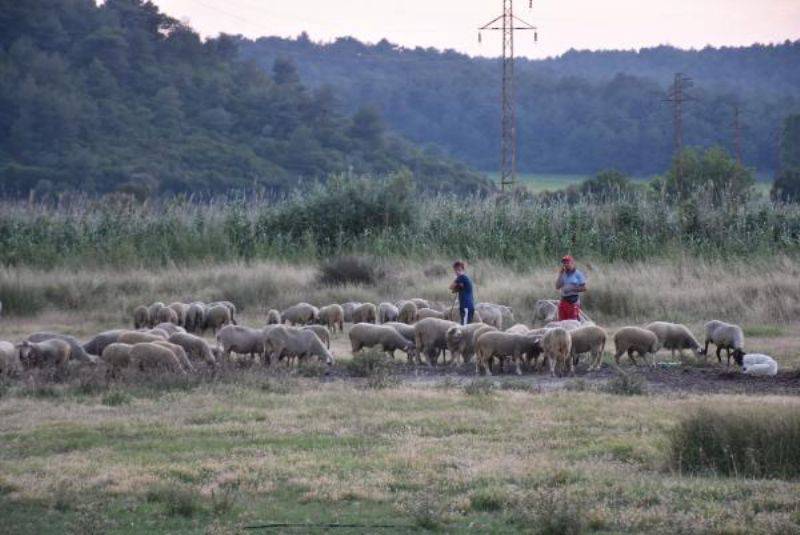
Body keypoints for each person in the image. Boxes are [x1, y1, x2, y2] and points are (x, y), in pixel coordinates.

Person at [555, 255, 586, 321]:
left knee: (572, 322)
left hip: (573, 301)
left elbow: (584, 288)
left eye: (567, 262)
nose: (565, 264)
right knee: (561, 321)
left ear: (572, 263)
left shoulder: (578, 274)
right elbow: (557, 287)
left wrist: (572, 289)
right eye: (564, 263)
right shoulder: (563, 274)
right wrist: (560, 274)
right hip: (563, 300)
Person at [449, 260, 475, 325]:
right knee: (466, 325)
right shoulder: (465, 278)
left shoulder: (461, 277)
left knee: (464, 327)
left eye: (459, 270)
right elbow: (455, 290)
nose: (457, 272)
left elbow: (451, 287)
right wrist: (458, 287)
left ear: (463, 270)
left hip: (466, 306)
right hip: (467, 306)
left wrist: (456, 284)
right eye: (456, 270)